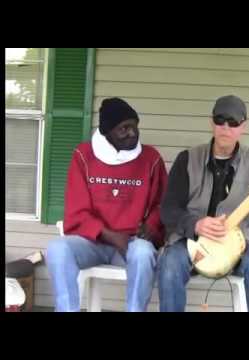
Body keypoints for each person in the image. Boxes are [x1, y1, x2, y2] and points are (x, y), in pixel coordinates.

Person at [157, 95, 249, 312]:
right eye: (220, 119)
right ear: (211, 122)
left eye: (233, 122)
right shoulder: (187, 159)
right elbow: (168, 209)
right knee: (169, 263)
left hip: (239, 245)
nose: (226, 127)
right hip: (191, 242)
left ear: (243, 126)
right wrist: (195, 225)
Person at [46, 97, 168, 312]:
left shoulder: (151, 158)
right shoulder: (84, 156)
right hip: (92, 242)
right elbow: (77, 210)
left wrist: (150, 227)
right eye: (124, 128)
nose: (132, 133)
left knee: (143, 253)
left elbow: (162, 203)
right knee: (57, 248)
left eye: (134, 126)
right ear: (107, 132)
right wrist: (110, 235)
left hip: (131, 243)